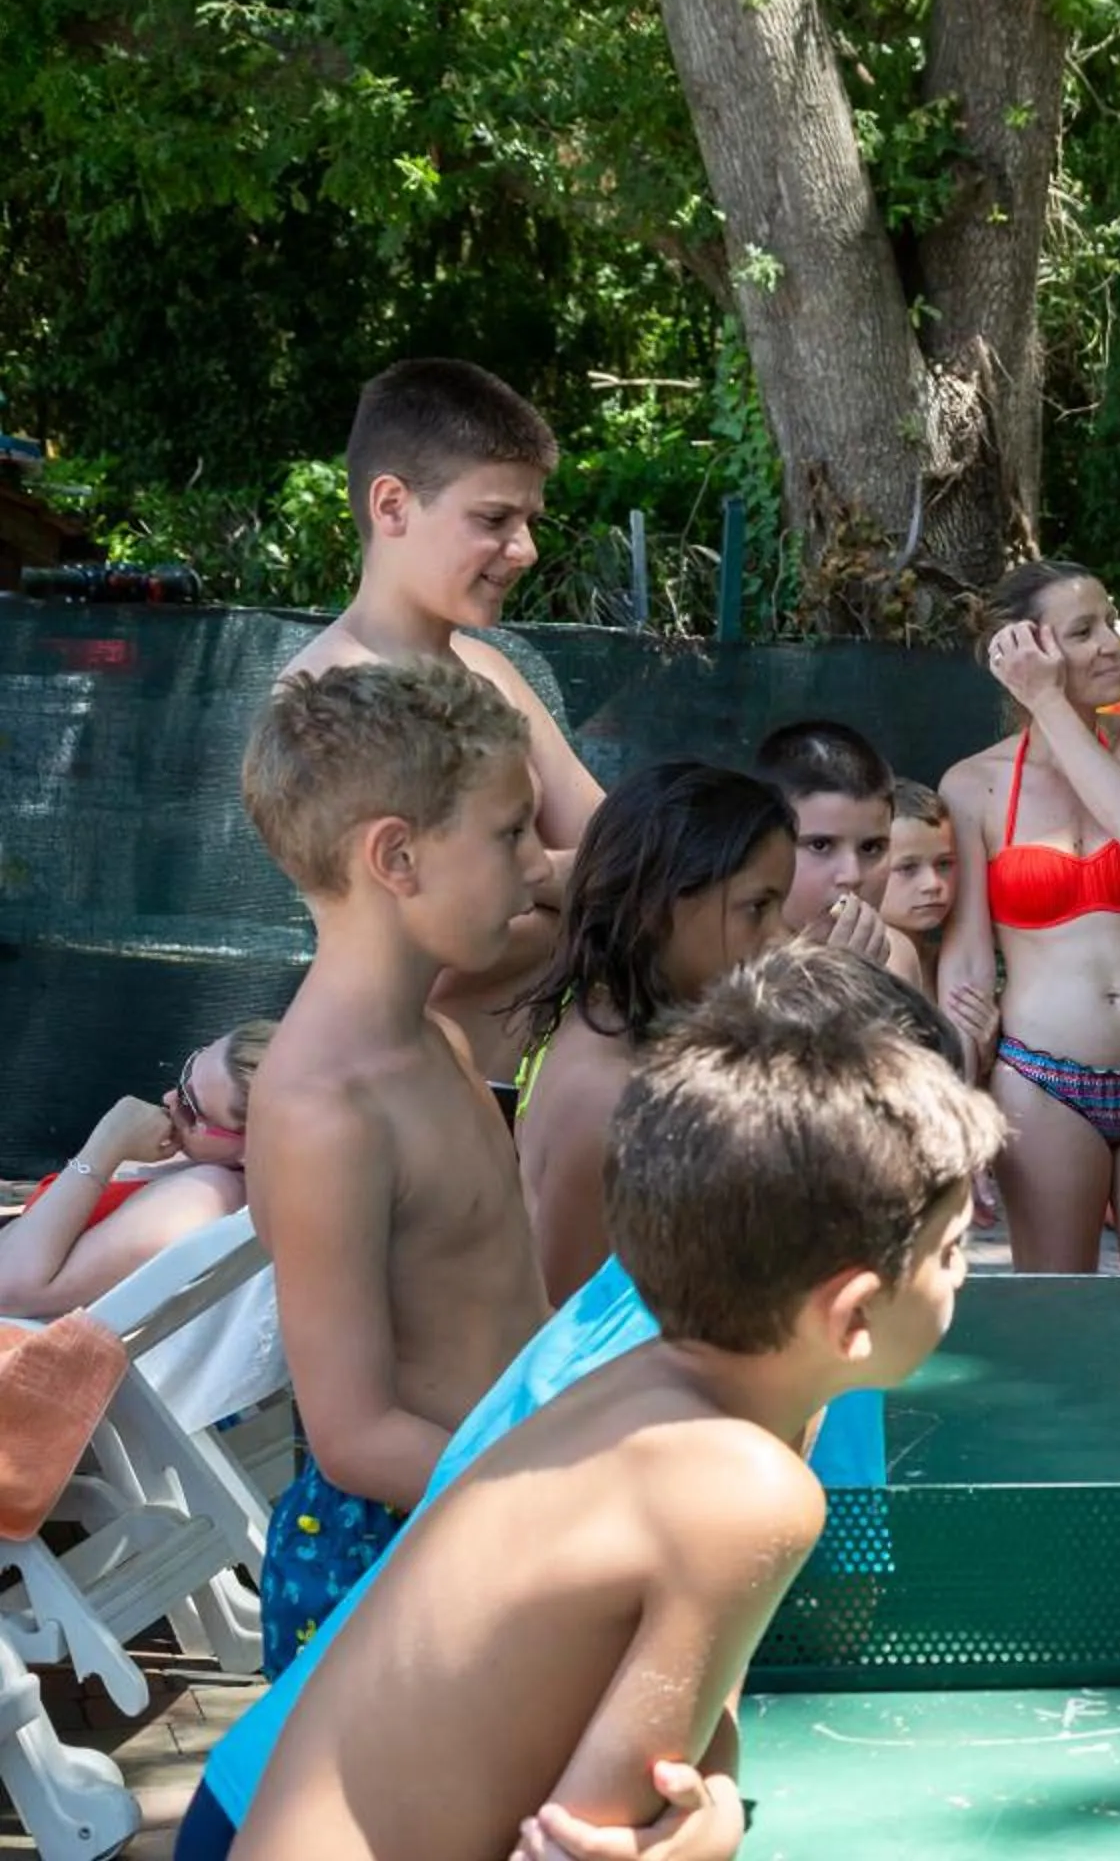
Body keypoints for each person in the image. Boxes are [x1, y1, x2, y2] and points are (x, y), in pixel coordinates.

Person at [181, 946, 969, 1861]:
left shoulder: (645, 1388)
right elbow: (587, 1841)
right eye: (952, 1248)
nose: (963, 1275)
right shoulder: (749, 1488)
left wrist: (705, 1809)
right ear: (854, 1311)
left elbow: (683, 1733)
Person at [236, 658, 554, 1677]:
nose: (538, 863)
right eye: (509, 833)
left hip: (486, 1508)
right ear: (398, 857)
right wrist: (569, 1487)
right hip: (393, 1565)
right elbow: (356, 1435)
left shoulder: (441, 1043)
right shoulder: (327, 1112)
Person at [273, 360, 607, 1098]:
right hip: (421, 1097)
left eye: (528, 522)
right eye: (493, 520)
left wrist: (554, 886)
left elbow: (631, 851)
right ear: (391, 505)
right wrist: (574, 884)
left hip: (531, 1089)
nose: (525, 550)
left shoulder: (488, 669)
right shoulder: (328, 699)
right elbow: (436, 942)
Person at [936, 561, 1120, 1273]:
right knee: (1059, 1314)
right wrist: (959, 1115)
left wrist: (1051, 704)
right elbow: (965, 964)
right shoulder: (972, 786)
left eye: (1111, 622)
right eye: (1084, 632)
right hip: (1043, 1080)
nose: (1113, 643)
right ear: (1026, 652)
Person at [511, 762, 794, 1305]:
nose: (780, 936)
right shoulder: (610, 1099)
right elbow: (566, 1325)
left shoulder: (614, 1016)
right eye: (757, 908)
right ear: (657, 907)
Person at [0, 1023, 273, 1317]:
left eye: (190, 1108)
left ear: (253, 1150)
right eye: (187, 1071)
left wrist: (105, 1145)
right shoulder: (196, 1160)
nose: (170, 1098)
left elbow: (10, 1293)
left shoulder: (201, 1197)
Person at [752, 720, 912, 981]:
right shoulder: (728, 963)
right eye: (820, 845)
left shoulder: (897, 958)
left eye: (871, 848)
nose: (852, 875)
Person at [878, 779, 962, 996]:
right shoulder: (881, 957)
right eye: (908, 868)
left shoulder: (949, 960)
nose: (932, 884)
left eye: (944, 864)